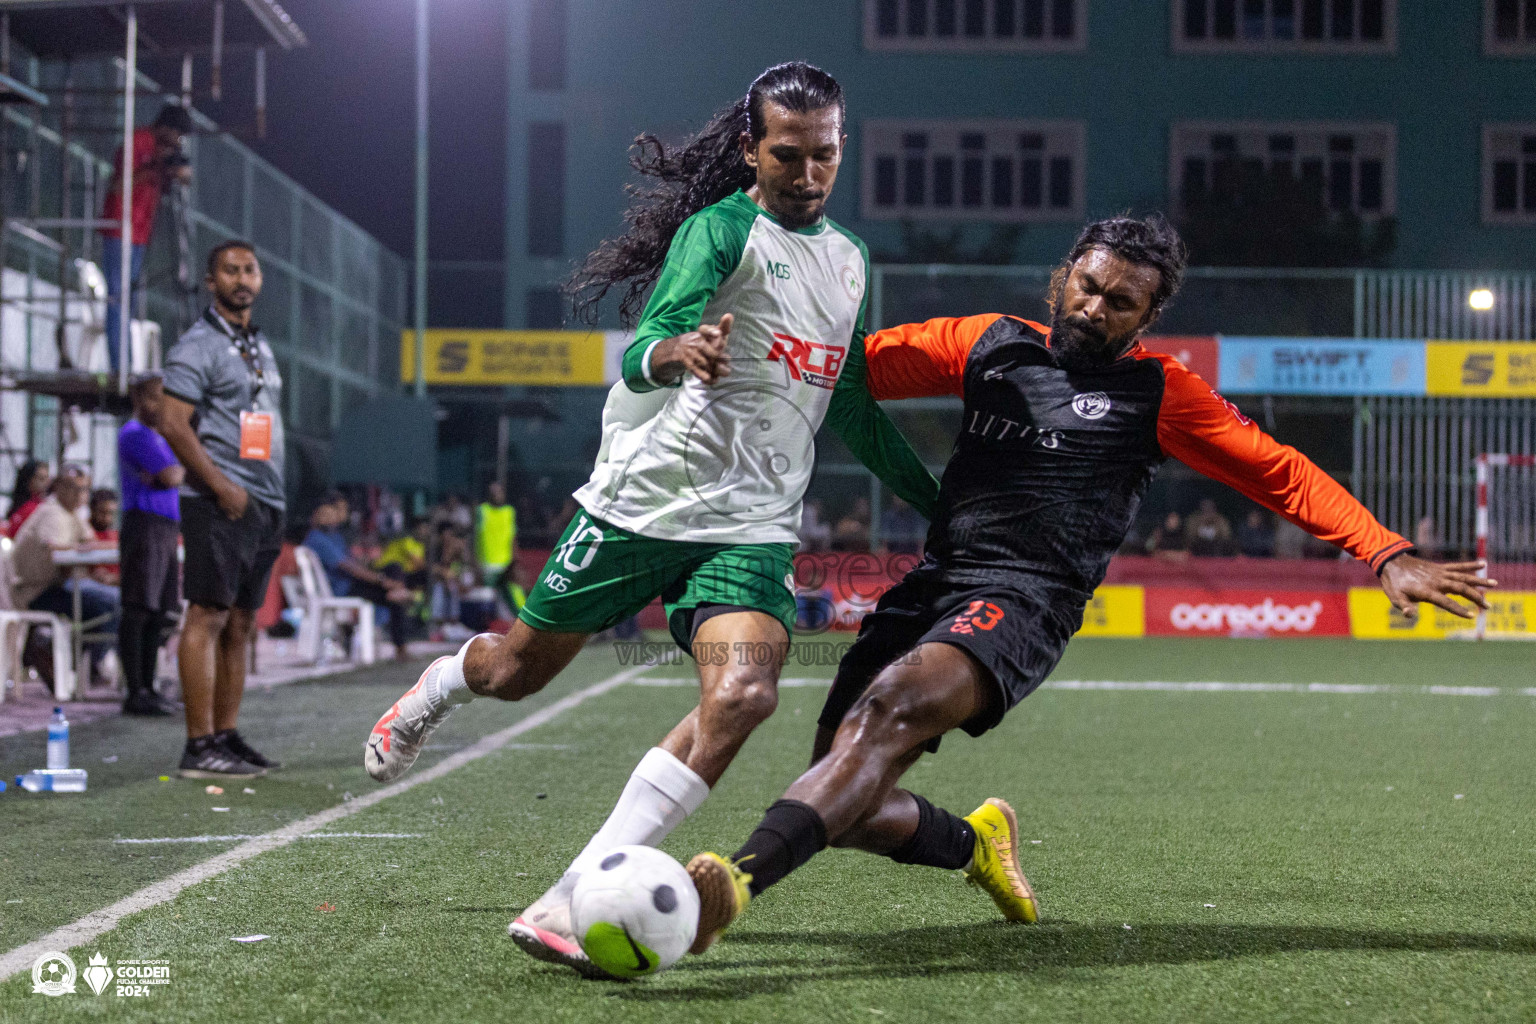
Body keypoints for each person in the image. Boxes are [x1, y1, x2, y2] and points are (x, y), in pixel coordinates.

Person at [683, 215, 1497, 952]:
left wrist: (1386, 553)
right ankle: (976, 844)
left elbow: (1279, 475)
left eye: (1122, 303)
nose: (1096, 308)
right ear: (1063, 276)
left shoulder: (1162, 393)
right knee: (843, 789)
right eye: (1089, 285)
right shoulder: (986, 343)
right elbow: (842, 372)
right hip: (932, 584)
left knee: (889, 710)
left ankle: (737, 882)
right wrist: (729, 352)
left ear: (1148, 318)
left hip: (1027, 600)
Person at [362, 61, 939, 975]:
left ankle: (572, 892)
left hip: (751, 523)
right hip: (645, 502)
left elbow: (855, 406)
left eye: (824, 155)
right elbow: (640, 353)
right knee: (516, 672)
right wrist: (680, 350)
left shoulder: (851, 261)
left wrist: (939, 506)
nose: (808, 173)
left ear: (842, 148)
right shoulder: (720, 231)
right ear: (752, 150)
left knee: (745, 695)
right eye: (787, 155)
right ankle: (440, 683)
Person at [159, 240, 285, 779]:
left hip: (264, 497)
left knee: (240, 622)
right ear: (211, 282)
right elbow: (172, 422)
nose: (241, 278)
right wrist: (218, 485)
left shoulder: (257, 343)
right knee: (206, 615)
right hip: (220, 500)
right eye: (230, 271)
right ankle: (197, 743)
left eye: (249, 270)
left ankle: (226, 736)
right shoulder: (197, 345)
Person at [100, 104, 193, 375]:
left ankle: (127, 363)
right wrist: (154, 167)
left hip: (140, 233)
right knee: (118, 298)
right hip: (120, 229)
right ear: (166, 127)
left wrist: (172, 171)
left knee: (127, 301)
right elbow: (118, 185)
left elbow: (182, 180)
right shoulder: (137, 143)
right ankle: (121, 368)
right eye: (177, 134)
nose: (178, 142)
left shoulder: (163, 152)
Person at [116, 372, 184, 716]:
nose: (161, 406)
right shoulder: (134, 434)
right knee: (139, 607)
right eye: (155, 398)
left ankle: (150, 686)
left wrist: (172, 470)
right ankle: (135, 691)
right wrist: (171, 471)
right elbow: (174, 474)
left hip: (166, 528)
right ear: (138, 399)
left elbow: (174, 472)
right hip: (144, 524)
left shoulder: (160, 437)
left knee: (160, 612)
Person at [10, 466, 121, 671]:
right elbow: (55, 547)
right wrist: (85, 548)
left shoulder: (74, 514)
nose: (81, 495)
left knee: (119, 600)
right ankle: (80, 665)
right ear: (59, 487)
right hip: (35, 592)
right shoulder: (52, 512)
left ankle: (71, 661)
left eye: (85, 489)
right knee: (110, 604)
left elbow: (92, 542)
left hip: (58, 587)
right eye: (75, 488)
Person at [303, 492, 414, 660]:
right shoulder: (317, 538)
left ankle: (396, 592)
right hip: (343, 589)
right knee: (392, 595)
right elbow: (349, 568)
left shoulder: (335, 536)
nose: (339, 515)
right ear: (318, 514)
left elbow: (353, 563)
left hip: (353, 584)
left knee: (394, 568)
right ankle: (401, 645)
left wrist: (373, 569)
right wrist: (382, 581)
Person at [475, 482, 524, 614]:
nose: (497, 495)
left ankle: (522, 621)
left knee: (516, 596)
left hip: (506, 565)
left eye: (500, 492)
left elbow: (513, 536)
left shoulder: (509, 512)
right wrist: (476, 564)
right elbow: (474, 538)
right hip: (486, 566)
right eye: (494, 492)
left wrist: (515, 560)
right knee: (486, 601)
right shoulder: (481, 510)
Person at [4, 459, 50, 538]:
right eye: (41, 478)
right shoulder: (23, 506)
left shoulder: (44, 505)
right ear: (29, 479)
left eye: (47, 478)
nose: (46, 483)